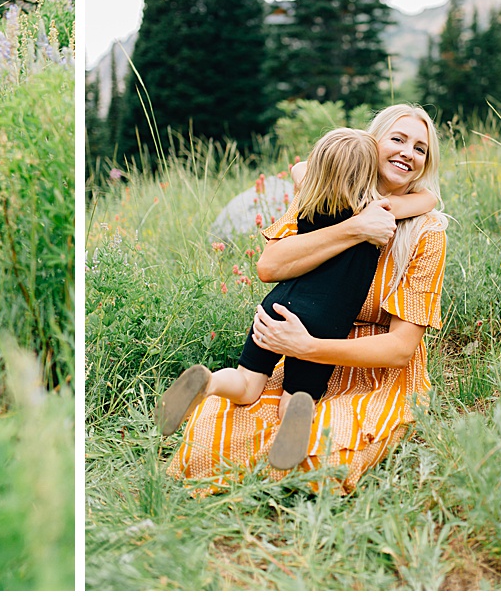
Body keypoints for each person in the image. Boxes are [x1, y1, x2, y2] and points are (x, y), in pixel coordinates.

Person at [169, 104, 450, 493]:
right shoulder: (335, 198)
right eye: (398, 139)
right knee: (217, 435)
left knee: (323, 449)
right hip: (305, 332)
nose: (408, 152)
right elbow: (269, 267)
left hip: (363, 360)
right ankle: (277, 432)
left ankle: (213, 387)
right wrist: (356, 227)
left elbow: (401, 349)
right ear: (372, 145)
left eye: (420, 149)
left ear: (425, 163)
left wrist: (309, 346)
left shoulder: (422, 231)